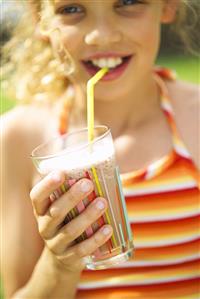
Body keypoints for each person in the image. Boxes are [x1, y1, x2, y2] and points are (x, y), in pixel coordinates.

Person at [1, 0, 199, 298]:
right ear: (39, 18)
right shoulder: (19, 138)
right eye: (71, 9)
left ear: (167, 6)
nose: (101, 36)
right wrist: (60, 265)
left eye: (128, 2)